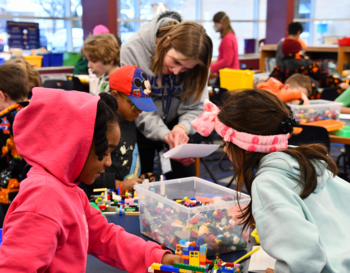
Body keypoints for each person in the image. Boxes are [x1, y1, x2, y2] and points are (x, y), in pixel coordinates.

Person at [0, 88, 182, 271]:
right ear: (73, 146)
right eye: (104, 152)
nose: (109, 162)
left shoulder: (70, 190)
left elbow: (104, 236)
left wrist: (159, 259)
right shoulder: (41, 202)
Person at [192, 91, 350, 273]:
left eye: (225, 142)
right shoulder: (306, 161)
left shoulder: (267, 183)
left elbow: (302, 261)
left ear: (240, 145)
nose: (225, 149)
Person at [121, 11, 213, 179]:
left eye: (186, 69)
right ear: (166, 42)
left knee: (185, 184)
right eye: (176, 61)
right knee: (140, 182)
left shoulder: (200, 63)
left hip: (177, 127)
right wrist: (164, 134)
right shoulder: (133, 49)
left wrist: (181, 128)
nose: (177, 71)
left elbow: (195, 106)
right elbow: (138, 104)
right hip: (140, 122)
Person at [80, 65, 157, 198]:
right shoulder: (99, 124)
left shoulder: (131, 120)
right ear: (115, 96)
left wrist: (141, 176)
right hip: (101, 199)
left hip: (126, 198)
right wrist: (119, 184)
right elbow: (85, 171)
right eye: (135, 105)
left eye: (142, 106)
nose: (140, 111)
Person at [0, 64, 29, 228]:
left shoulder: (3, 122)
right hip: (37, 188)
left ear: (2, 96)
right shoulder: (39, 111)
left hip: (8, 195)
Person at [270, 38, 349, 94]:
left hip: (286, 97)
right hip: (308, 96)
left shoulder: (280, 65)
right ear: (299, 51)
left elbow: (272, 82)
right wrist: (339, 83)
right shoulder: (307, 63)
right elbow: (322, 76)